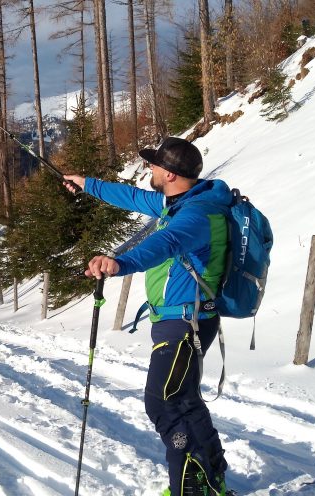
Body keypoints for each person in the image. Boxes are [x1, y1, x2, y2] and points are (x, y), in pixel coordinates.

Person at [64, 137, 229, 496]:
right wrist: (86, 183)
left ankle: (191, 488)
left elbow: (167, 243)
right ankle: (210, 480)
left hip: (184, 324)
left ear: (169, 174)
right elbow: (133, 197)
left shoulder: (197, 214)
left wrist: (120, 263)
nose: (149, 168)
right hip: (182, 320)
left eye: (154, 164)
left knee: (165, 402)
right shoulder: (180, 201)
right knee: (184, 400)